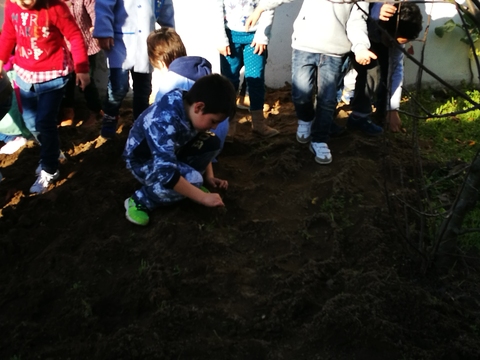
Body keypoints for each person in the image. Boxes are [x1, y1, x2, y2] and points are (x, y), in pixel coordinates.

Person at [246, 0, 377, 164]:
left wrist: (360, 47)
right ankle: (306, 118)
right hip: (305, 46)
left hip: (335, 52)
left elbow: (357, 21)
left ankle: (319, 140)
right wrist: (261, 8)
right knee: (300, 93)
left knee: (327, 100)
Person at [0, 0, 90, 194]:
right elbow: (8, 32)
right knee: (31, 122)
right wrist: (1, 59)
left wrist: (82, 68)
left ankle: (50, 168)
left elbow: (74, 35)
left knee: (44, 122)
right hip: (25, 74)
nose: (23, 3)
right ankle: (54, 152)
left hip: (53, 74)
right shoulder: (11, 6)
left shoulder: (54, 7)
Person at [123, 74, 236, 226]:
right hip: (143, 160)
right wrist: (202, 197)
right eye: (213, 121)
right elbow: (166, 173)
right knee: (193, 179)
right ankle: (140, 199)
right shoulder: (164, 121)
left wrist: (209, 176)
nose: (215, 126)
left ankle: (188, 184)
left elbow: (199, 137)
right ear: (199, 107)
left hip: (172, 152)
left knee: (211, 142)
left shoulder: (189, 107)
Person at [148, 28, 230, 150]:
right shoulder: (202, 73)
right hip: (214, 143)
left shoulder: (170, 83)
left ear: (161, 63)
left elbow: (158, 118)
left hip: (193, 143)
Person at [348, 2, 423, 133]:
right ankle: (333, 110)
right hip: (352, 32)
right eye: (392, 41)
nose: (393, 46)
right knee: (346, 68)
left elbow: (395, 70)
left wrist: (393, 109)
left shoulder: (398, 34)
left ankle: (381, 114)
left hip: (378, 36)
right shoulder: (372, 13)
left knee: (384, 73)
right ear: (384, 27)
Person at [214, 0, 279, 138]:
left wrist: (262, 36)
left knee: (255, 80)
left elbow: (269, 5)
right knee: (229, 82)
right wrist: (221, 39)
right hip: (230, 37)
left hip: (255, 39)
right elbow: (217, 8)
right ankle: (229, 124)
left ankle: (258, 124)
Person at [93, 0, 157, 138]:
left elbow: (164, 5)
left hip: (146, 41)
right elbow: (103, 5)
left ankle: (139, 123)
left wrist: (168, 30)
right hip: (120, 41)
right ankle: (110, 116)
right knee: (118, 87)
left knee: (144, 88)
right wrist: (104, 31)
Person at [59, 0, 104, 127]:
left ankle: (94, 111)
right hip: (63, 48)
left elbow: (95, 13)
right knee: (67, 81)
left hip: (86, 47)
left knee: (86, 81)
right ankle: (68, 111)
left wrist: (97, 28)